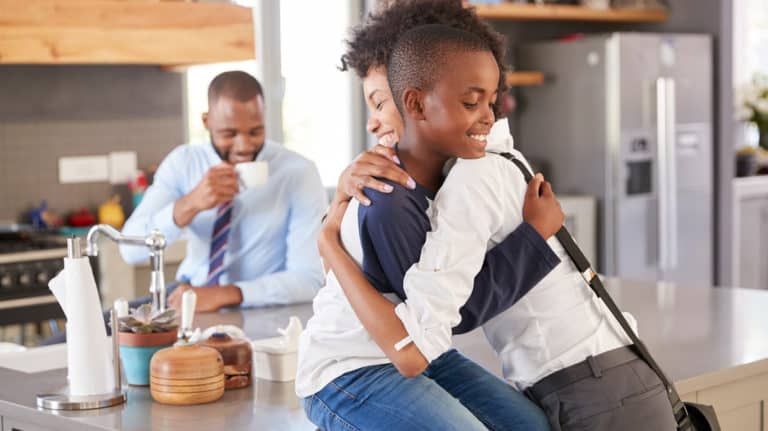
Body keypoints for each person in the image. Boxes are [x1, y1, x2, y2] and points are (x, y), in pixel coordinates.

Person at [322, 11, 678, 431]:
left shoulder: (473, 172)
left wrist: (533, 237)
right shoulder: (444, 177)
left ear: (413, 97)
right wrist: (336, 211)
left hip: (589, 383)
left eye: (383, 100)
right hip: (611, 371)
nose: (374, 119)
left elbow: (448, 316)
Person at [297, 25, 563, 431]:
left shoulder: (451, 177)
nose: (373, 123)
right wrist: (328, 242)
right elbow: (431, 327)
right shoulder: (388, 196)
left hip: (420, 354)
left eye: (378, 102)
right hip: (350, 370)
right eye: (472, 101)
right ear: (417, 103)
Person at [119, 71, 327, 312]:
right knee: (82, 335)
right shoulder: (183, 163)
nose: (244, 146)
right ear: (207, 122)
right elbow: (130, 251)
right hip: (186, 296)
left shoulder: (298, 172)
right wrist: (191, 204)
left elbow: (310, 279)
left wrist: (225, 294)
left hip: (260, 305)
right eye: (229, 134)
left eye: (255, 131)